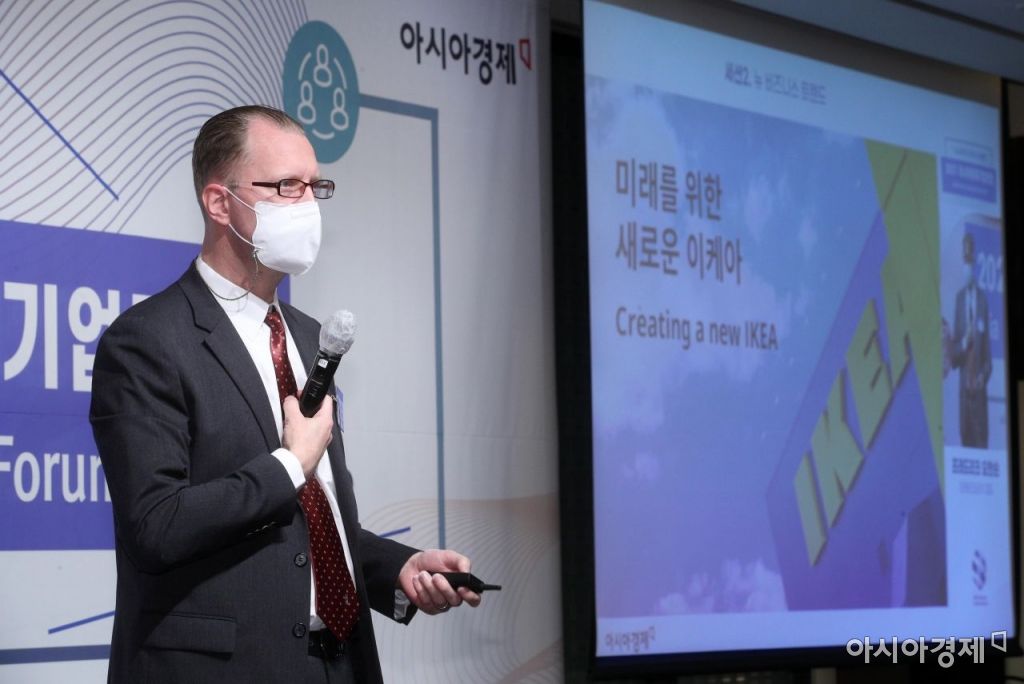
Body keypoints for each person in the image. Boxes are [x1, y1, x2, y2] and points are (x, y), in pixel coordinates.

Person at [90, 105, 480, 684]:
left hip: (340, 664)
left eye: (315, 187)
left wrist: (397, 569)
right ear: (220, 203)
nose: (308, 206)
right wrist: (291, 463)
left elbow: (310, 520)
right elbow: (156, 525)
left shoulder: (306, 335)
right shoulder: (148, 341)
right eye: (287, 187)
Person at [950, 231, 991, 448]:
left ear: (974, 263)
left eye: (970, 262)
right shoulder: (958, 301)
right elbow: (953, 358)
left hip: (980, 401)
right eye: (964, 262)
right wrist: (964, 343)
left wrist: (983, 377)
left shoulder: (983, 301)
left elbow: (989, 361)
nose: (967, 267)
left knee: (982, 448)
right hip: (965, 401)